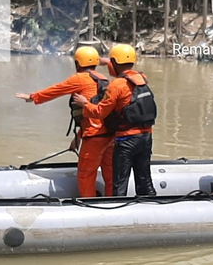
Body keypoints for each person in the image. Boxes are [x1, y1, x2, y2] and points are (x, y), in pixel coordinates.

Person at [16, 46, 114, 198]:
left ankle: (90, 206)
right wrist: (78, 138)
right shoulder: (103, 79)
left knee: (85, 175)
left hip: (94, 137)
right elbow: (98, 115)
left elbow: (57, 89)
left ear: (77, 63)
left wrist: (33, 97)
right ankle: (113, 202)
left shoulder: (80, 78)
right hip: (109, 135)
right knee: (110, 173)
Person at [72, 44, 157, 197]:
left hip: (126, 141)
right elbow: (126, 70)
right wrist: (107, 61)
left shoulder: (116, 85)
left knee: (119, 182)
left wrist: (85, 103)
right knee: (144, 179)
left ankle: (118, 213)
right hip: (146, 137)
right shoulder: (142, 78)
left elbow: (99, 112)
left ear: (115, 63)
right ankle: (151, 206)